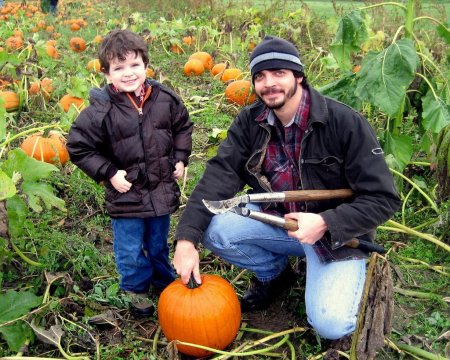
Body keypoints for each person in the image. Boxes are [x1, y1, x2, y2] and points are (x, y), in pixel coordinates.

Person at [173, 35, 400, 340]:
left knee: (331, 324)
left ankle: (335, 272)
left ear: (299, 76)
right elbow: (219, 176)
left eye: (279, 73)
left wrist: (326, 222)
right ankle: (277, 275)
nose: (269, 83)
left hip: (335, 237)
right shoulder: (250, 122)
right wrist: (186, 241)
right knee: (215, 229)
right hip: (282, 223)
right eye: (260, 76)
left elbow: (383, 199)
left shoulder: (344, 123)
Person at [67, 29, 193, 317]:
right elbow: (78, 147)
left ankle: (164, 283)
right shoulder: (100, 110)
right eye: (118, 67)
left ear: (146, 65)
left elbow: (182, 126)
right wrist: (109, 173)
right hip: (126, 195)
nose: (128, 73)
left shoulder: (165, 99)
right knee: (130, 248)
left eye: (134, 65)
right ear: (107, 73)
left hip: (160, 190)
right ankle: (135, 289)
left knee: (158, 243)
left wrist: (180, 158)